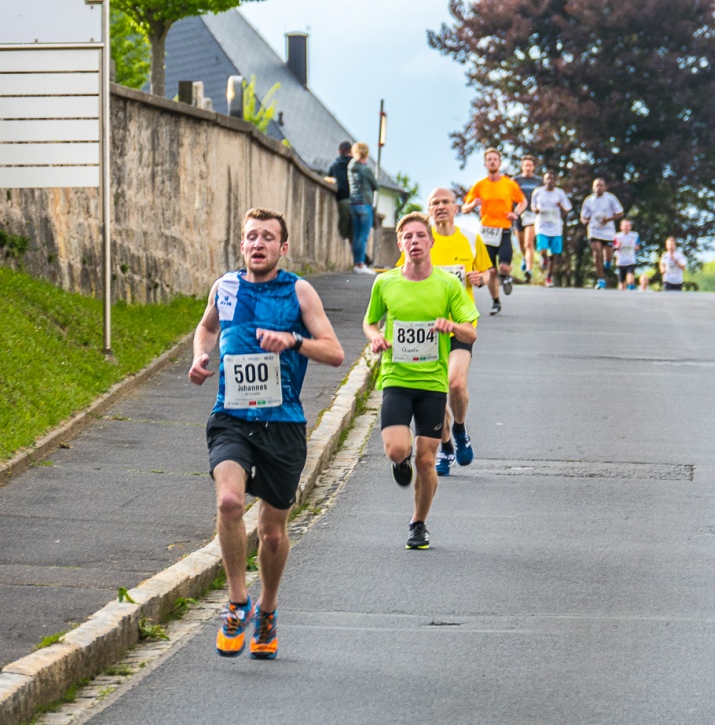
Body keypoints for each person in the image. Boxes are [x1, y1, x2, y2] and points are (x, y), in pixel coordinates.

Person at [189, 208, 345, 660]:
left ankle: (269, 608)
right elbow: (206, 327)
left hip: (283, 424)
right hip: (231, 417)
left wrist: (293, 341)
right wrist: (202, 356)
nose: (258, 244)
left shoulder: (298, 290)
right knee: (229, 501)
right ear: (242, 246)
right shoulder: (226, 286)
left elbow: (335, 352)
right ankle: (238, 600)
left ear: (283, 247)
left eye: (267, 238)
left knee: (272, 533)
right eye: (251, 237)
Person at [364, 212, 479, 549]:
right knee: (398, 449)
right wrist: (375, 338)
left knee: (426, 459)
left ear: (430, 242)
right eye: (407, 237)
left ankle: (418, 523)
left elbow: (470, 330)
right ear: (400, 244)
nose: (414, 242)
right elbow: (370, 322)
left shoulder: (448, 284)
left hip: (431, 383)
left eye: (420, 236)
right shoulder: (385, 282)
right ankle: (400, 462)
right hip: (396, 378)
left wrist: (451, 326)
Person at [396, 188, 493, 477]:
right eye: (434, 203)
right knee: (435, 392)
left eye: (445, 202)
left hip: (461, 324)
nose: (440, 207)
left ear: (455, 207)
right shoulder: (421, 240)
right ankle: (447, 445)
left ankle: (460, 430)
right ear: (428, 209)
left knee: (455, 383)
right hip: (426, 329)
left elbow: (487, 272)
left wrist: (480, 278)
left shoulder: (470, 238)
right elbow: (399, 277)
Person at [461, 148, 526, 315]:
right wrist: (472, 204)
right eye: (489, 159)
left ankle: (505, 277)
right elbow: (464, 207)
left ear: (499, 162)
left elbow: (523, 202)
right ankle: (496, 302)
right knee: (490, 271)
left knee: (504, 267)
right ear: (485, 164)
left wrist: (516, 214)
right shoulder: (479, 185)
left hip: (503, 230)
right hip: (486, 232)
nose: (492, 162)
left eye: (495, 159)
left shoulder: (509, 184)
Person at [528, 171, 572, 287]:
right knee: (543, 249)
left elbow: (567, 210)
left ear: (555, 181)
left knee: (554, 254)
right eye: (547, 178)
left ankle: (549, 277)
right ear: (544, 180)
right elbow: (532, 206)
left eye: (551, 179)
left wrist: (561, 206)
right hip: (542, 225)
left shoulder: (560, 193)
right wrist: (535, 210)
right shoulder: (538, 192)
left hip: (556, 227)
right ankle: (544, 259)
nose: (549, 181)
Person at [580, 177, 624, 289]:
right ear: (593, 187)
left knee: (608, 255)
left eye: (601, 185)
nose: (598, 188)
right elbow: (583, 216)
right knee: (597, 253)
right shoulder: (589, 200)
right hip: (594, 230)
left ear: (605, 187)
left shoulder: (610, 199)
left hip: (608, 231)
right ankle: (601, 279)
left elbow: (620, 213)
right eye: (596, 186)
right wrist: (585, 222)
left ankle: (608, 262)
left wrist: (608, 219)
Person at [347, 142, 378, 275]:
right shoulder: (366, 170)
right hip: (365, 204)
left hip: (353, 203)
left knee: (356, 235)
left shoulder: (350, 167)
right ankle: (361, 264)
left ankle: (356, 263)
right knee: (363, 236)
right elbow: (375, 185)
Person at [513, 155, 542, 283]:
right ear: (522, 166)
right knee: (521, 244)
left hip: (532, 214)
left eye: (530, 165)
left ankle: (528, 271)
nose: (528, 168)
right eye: (526, 165)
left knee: (528, 243)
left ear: (534, 167)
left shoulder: (539, 181)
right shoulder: (516, 180)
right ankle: (525, 257)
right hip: (518, 213)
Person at [326, 141, 356, 261]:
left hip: (342, 199)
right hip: (357, 201)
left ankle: (354, 259)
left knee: (344, 231)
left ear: (339, 151)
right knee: (356, 232)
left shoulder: (334, 166)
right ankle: (359, 260)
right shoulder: (355, 165)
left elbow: (329, 180)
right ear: (351, 151)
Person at [613, 219, 641, 290]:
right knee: (622, 284)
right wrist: (617, 246)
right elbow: (613, 248)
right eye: (625, 226)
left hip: (631, 261)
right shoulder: (617, 236)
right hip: (621, 262)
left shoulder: (635, 235)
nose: (626, 228)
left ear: (630, 227)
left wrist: (637, 248)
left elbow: (638, 246)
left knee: (630, 280)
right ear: (621, 227)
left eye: (628, 226)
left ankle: (632, 292)